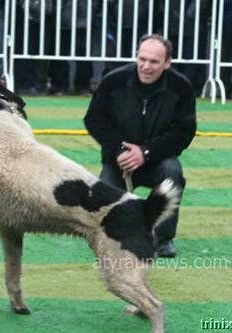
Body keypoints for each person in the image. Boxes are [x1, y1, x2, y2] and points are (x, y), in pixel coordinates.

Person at [83, 34, 197, 258]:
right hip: (119, 161)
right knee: (106, 215)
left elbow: (184, 131)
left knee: (172, 172)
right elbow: (94, 119)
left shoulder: (181, 86)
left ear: (167, 63)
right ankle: (113, 235)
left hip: (158, 160)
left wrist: (146, 152)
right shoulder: (113, 80)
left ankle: (162, 239)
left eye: (154, 62)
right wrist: (120, 150)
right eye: (141, 59)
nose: (146, 66)